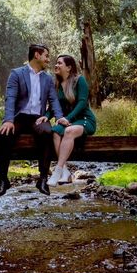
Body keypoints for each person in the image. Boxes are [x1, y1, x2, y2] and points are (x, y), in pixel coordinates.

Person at [0, 44, 64, 197]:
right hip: (19, 117)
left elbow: (53, 101)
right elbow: (10, 98)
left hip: (37, 118)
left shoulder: (48, 78)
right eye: (46, 56)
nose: (48, 59)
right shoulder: (16, 74)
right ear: (37, 55)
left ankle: (43, 178)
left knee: (48, 133)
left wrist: (59, 118)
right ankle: (2, 179)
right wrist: (8, 120)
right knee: (3, 135)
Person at [46, 55, 97, 187]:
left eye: (59, 63)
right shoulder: (56, 84)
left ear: (69, 67)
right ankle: (65, 171)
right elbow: (53, 107)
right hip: (68, 122)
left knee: (68, 131)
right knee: (55, 132)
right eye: (56, 63)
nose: (56, 65)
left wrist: (67, 118)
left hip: (84, 119)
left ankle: (57, 171)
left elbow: (82, 103)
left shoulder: (79, 80)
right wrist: (46, 116)